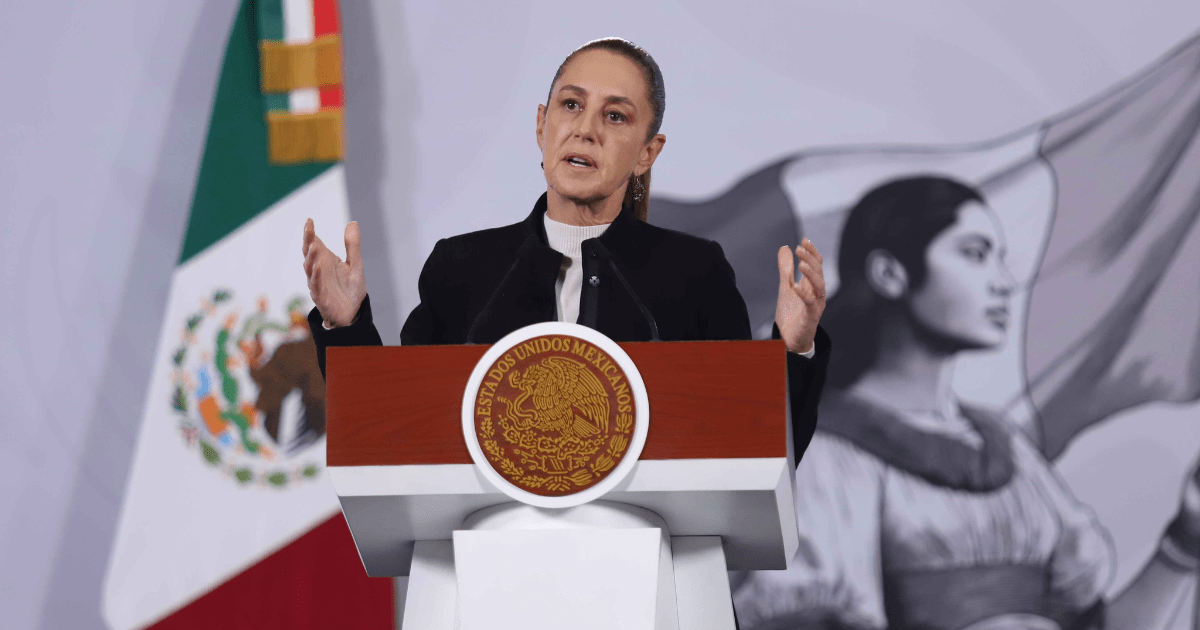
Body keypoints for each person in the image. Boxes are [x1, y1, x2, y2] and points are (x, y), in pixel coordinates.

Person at [300, 38, 832, 463]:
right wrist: (346, 327)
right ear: (542, 124)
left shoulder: (694, 273)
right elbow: (394, 433)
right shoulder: (461, 269)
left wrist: (794, 349)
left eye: (615, 116)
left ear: (647, 153)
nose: (585, 129)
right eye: (571, 105)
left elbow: (755, 447)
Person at [730, 176, 1200, 630]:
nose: (1004, 282)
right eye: (974, 254)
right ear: (890, 274)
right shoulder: (824, 451)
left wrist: (1186, 537)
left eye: (1001, 259)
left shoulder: (1008, 450)